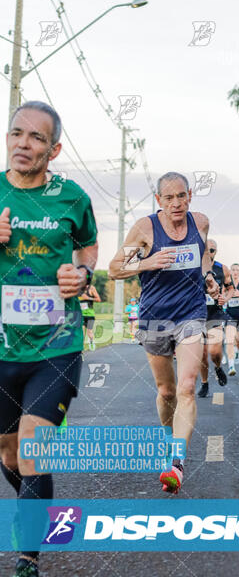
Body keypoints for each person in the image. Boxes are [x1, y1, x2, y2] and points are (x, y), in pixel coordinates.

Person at [0, 101, 98, 577]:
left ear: (54, 149)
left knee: (34, 445)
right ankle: (40, 513)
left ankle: (27, 558)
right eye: (16, 133)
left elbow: (88, 245)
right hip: (1, 347)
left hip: (57, 343)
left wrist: (81, 272)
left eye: (36, 138)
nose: (23, 143)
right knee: (8, 451)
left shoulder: (72, 197)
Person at [109, 171, 218, 495]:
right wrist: (147, 262)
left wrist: (207, 277)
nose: (175, 203)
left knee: (186, 387)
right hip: (155, 317)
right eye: (168, 198)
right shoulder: (145, 228)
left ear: (189, 196)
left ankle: (176, 462)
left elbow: (203, 257)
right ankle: (171, 439)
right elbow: (115, 268)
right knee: (167, 391)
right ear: (159, 200)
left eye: (181, 196)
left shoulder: (200, 223)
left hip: (191, 313)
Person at [197, 239, 232, 398]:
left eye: (212, 250)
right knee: (201, 354)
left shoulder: (222, 268)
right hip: (195, 315)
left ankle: (218, 367)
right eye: (206, 250)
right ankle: (204, 383)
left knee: (214, 350)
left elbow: (231, 288)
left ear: (216, 251)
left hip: (215, 314)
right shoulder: (194, 268)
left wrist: (226, 297)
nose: (209, 253)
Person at [79, 283, 101, 350]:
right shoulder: (77, 288)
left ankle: (91, 341)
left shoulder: (91, 288)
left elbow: (98, 299)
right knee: (81, 333)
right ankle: (81, 350)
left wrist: (88, 298)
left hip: (90, 315)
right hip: (80, 314)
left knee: (89, 332)